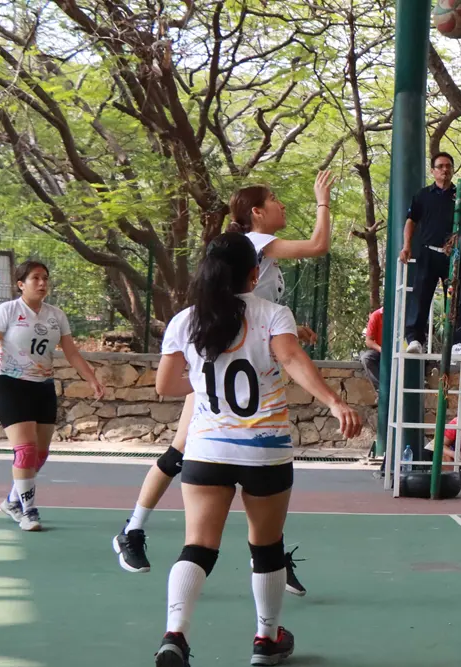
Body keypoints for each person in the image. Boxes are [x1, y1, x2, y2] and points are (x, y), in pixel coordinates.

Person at [114, 173, 335, 593]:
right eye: (274, 199)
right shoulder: (254, 243)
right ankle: (133, 530)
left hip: (233, 355)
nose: (282, 204)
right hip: (220, 359)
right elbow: (318, 246)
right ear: (256, 213)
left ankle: (265, 553)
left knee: (190, 453)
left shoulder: (259, 257)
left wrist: (289, 333)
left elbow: (255, 312)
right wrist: (323, 200)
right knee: (183, 452)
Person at [152, 233, 361, 666]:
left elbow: (166, 385)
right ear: (254, 273)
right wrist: (334, 402)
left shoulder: (186, 321)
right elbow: (292, 359)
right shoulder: (272, 314)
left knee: (198, 545)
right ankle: (266, 640)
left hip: (207, 450)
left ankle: (175, 634)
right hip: (264, 451)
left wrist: (204, 382)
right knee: (266, 547)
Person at [0, 260, 106, 532]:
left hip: (42, 387)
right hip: (10, 385)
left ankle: (12, 501)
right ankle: (28, 511)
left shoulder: (55, 315)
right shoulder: (7, 311)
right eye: (35, 278)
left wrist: (92, 378)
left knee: (40, 454)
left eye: (45, 278)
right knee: (25, 450)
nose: (42, 283)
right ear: (21, 284)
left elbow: (71, 353)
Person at [398, 152, 461, 356]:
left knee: (456, 298)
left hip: (453, 255)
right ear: (433, 171)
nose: (445, 170)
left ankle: (457, 342)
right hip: (427, 253)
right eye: (440, 166)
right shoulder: (422, 195)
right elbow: (411, 221)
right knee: (420, 296)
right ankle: (414, 339)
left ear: (453, 170)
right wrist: (406, 246)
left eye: (448, 166)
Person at [360, 306, 383, 390]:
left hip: (399, 350)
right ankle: (381, 389)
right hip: (380, 351)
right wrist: (381, 350)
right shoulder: (376, 315)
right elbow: (368, 341)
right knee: (366, 358)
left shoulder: (402, 314)